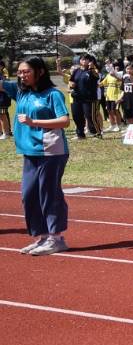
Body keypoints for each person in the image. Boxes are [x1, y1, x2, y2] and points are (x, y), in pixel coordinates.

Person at [15, 56, 72, 256]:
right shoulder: (21, 93)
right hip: (29, 152)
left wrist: (34, 122)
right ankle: (41, 237)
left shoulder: (53, 94)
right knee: (28, 195)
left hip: (51, 151)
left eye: (26, 71)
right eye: (20, 72)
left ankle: (56, 238)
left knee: (48, 193)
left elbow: (65, 121)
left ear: (39, 72)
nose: (22, 76)